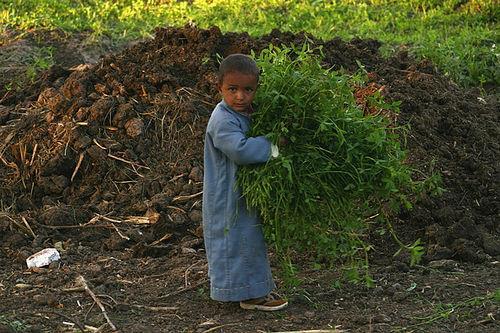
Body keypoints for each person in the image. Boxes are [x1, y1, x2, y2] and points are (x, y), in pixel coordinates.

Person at [202, 54, 288, 311]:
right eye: (232, 89)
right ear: (219, 88)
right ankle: (246, 295)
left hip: (240, 192)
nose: (240, 96)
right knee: (233, 240)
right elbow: (239, 150)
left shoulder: (241, 112)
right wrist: (273, 146)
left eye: (248, 90)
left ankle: (249, 290)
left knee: (248, 237)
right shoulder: (222, 120)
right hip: (225, 195)